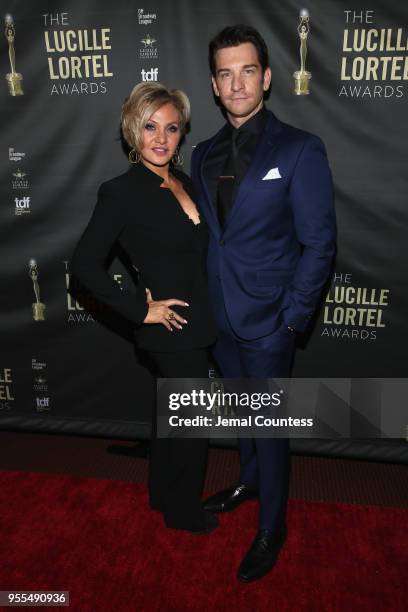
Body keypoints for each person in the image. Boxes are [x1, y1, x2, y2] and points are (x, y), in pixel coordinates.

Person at [191, 25, 336, 581]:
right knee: (243, 416)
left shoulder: (300, 149)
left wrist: (293, 319)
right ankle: (249, 482)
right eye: (226, 73)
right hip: (220, 319)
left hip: (271, 321)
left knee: (270, 426)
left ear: (267, 77)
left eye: (247, 70)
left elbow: (320, 241)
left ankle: (272, 526)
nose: (237, 83)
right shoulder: (202, 154)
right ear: (214, 84)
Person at [70, 82, 218, 534]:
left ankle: (161, 496)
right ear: (133, 130)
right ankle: (184, 511)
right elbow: (83, 266)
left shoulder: (187, 181)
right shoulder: (122, 191)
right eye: (150, 126)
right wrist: (141, 309)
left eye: (171, 128)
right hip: (171, 328)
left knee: (172, 414)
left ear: (181, 134)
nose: (160, 138)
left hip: (201, 321)